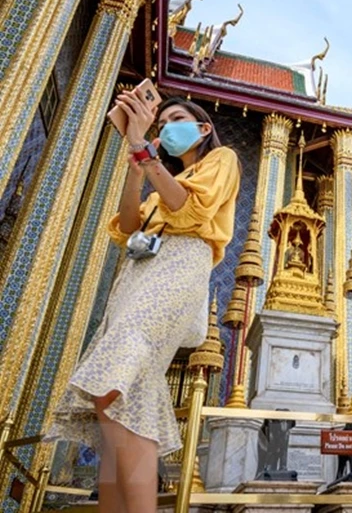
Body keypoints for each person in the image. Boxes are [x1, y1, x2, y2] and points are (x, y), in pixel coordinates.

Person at [47, 92, 240, 513]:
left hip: (178, 269)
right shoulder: (159, 184)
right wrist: (137, 167)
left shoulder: (221, 160)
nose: (166, 128)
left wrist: (145, 151)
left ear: (202, 128)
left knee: (116, 382)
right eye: (162, 122)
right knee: (117, 397)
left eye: (176, 119)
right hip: (137, 279)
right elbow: (127, 228)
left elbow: (188, 212)